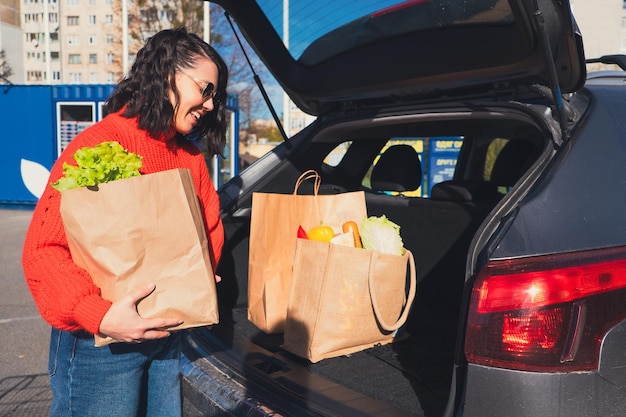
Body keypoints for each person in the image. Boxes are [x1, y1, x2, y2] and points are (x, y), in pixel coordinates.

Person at [22, 27, 228, 417]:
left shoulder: (191, 158)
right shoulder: (99, 143)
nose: (211, 105)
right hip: (101, 345)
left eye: (214, 94)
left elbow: (209, 231)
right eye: (205, 89)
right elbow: (43, 251)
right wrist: (97, 314)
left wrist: (202, 273)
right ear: (167, 73)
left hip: (168, 334)